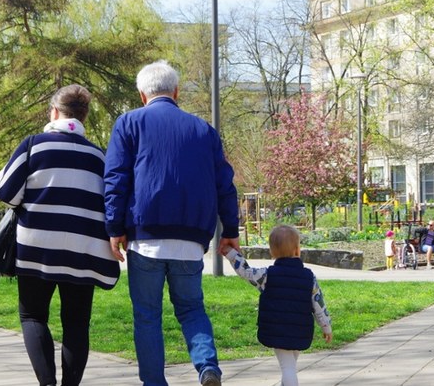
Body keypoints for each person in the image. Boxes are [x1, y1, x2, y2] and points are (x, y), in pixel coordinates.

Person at [104, 60, 240, 386]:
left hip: (145, 237)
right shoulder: (204, 131)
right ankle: (207, 367)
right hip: (191, 240)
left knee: (148, 316)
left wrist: (114, 228)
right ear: (176, 92)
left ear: (142, 95)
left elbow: (116, 179)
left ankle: (154, 383)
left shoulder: (129, 124)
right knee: (192, 309)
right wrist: (231, 231)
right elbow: (225, 184)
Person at [0, 84, 120, 386]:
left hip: (38, 247)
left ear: (54, 112)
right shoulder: (99, 157)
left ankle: (47, 384)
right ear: (84, 116)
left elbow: (6, 193)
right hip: (85, 250)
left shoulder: (34, 145)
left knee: (33, 317)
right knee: (76, 324)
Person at [221, 225, 332, 386]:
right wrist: (326, 326)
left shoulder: (267, 275)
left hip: (277, 329)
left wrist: (231, 253)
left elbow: (245, 271)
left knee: (288, 368)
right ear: (297, 250)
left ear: (272, 252)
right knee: (290, 365)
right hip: (300, 329)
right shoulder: (308, 277)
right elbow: (318, 303)